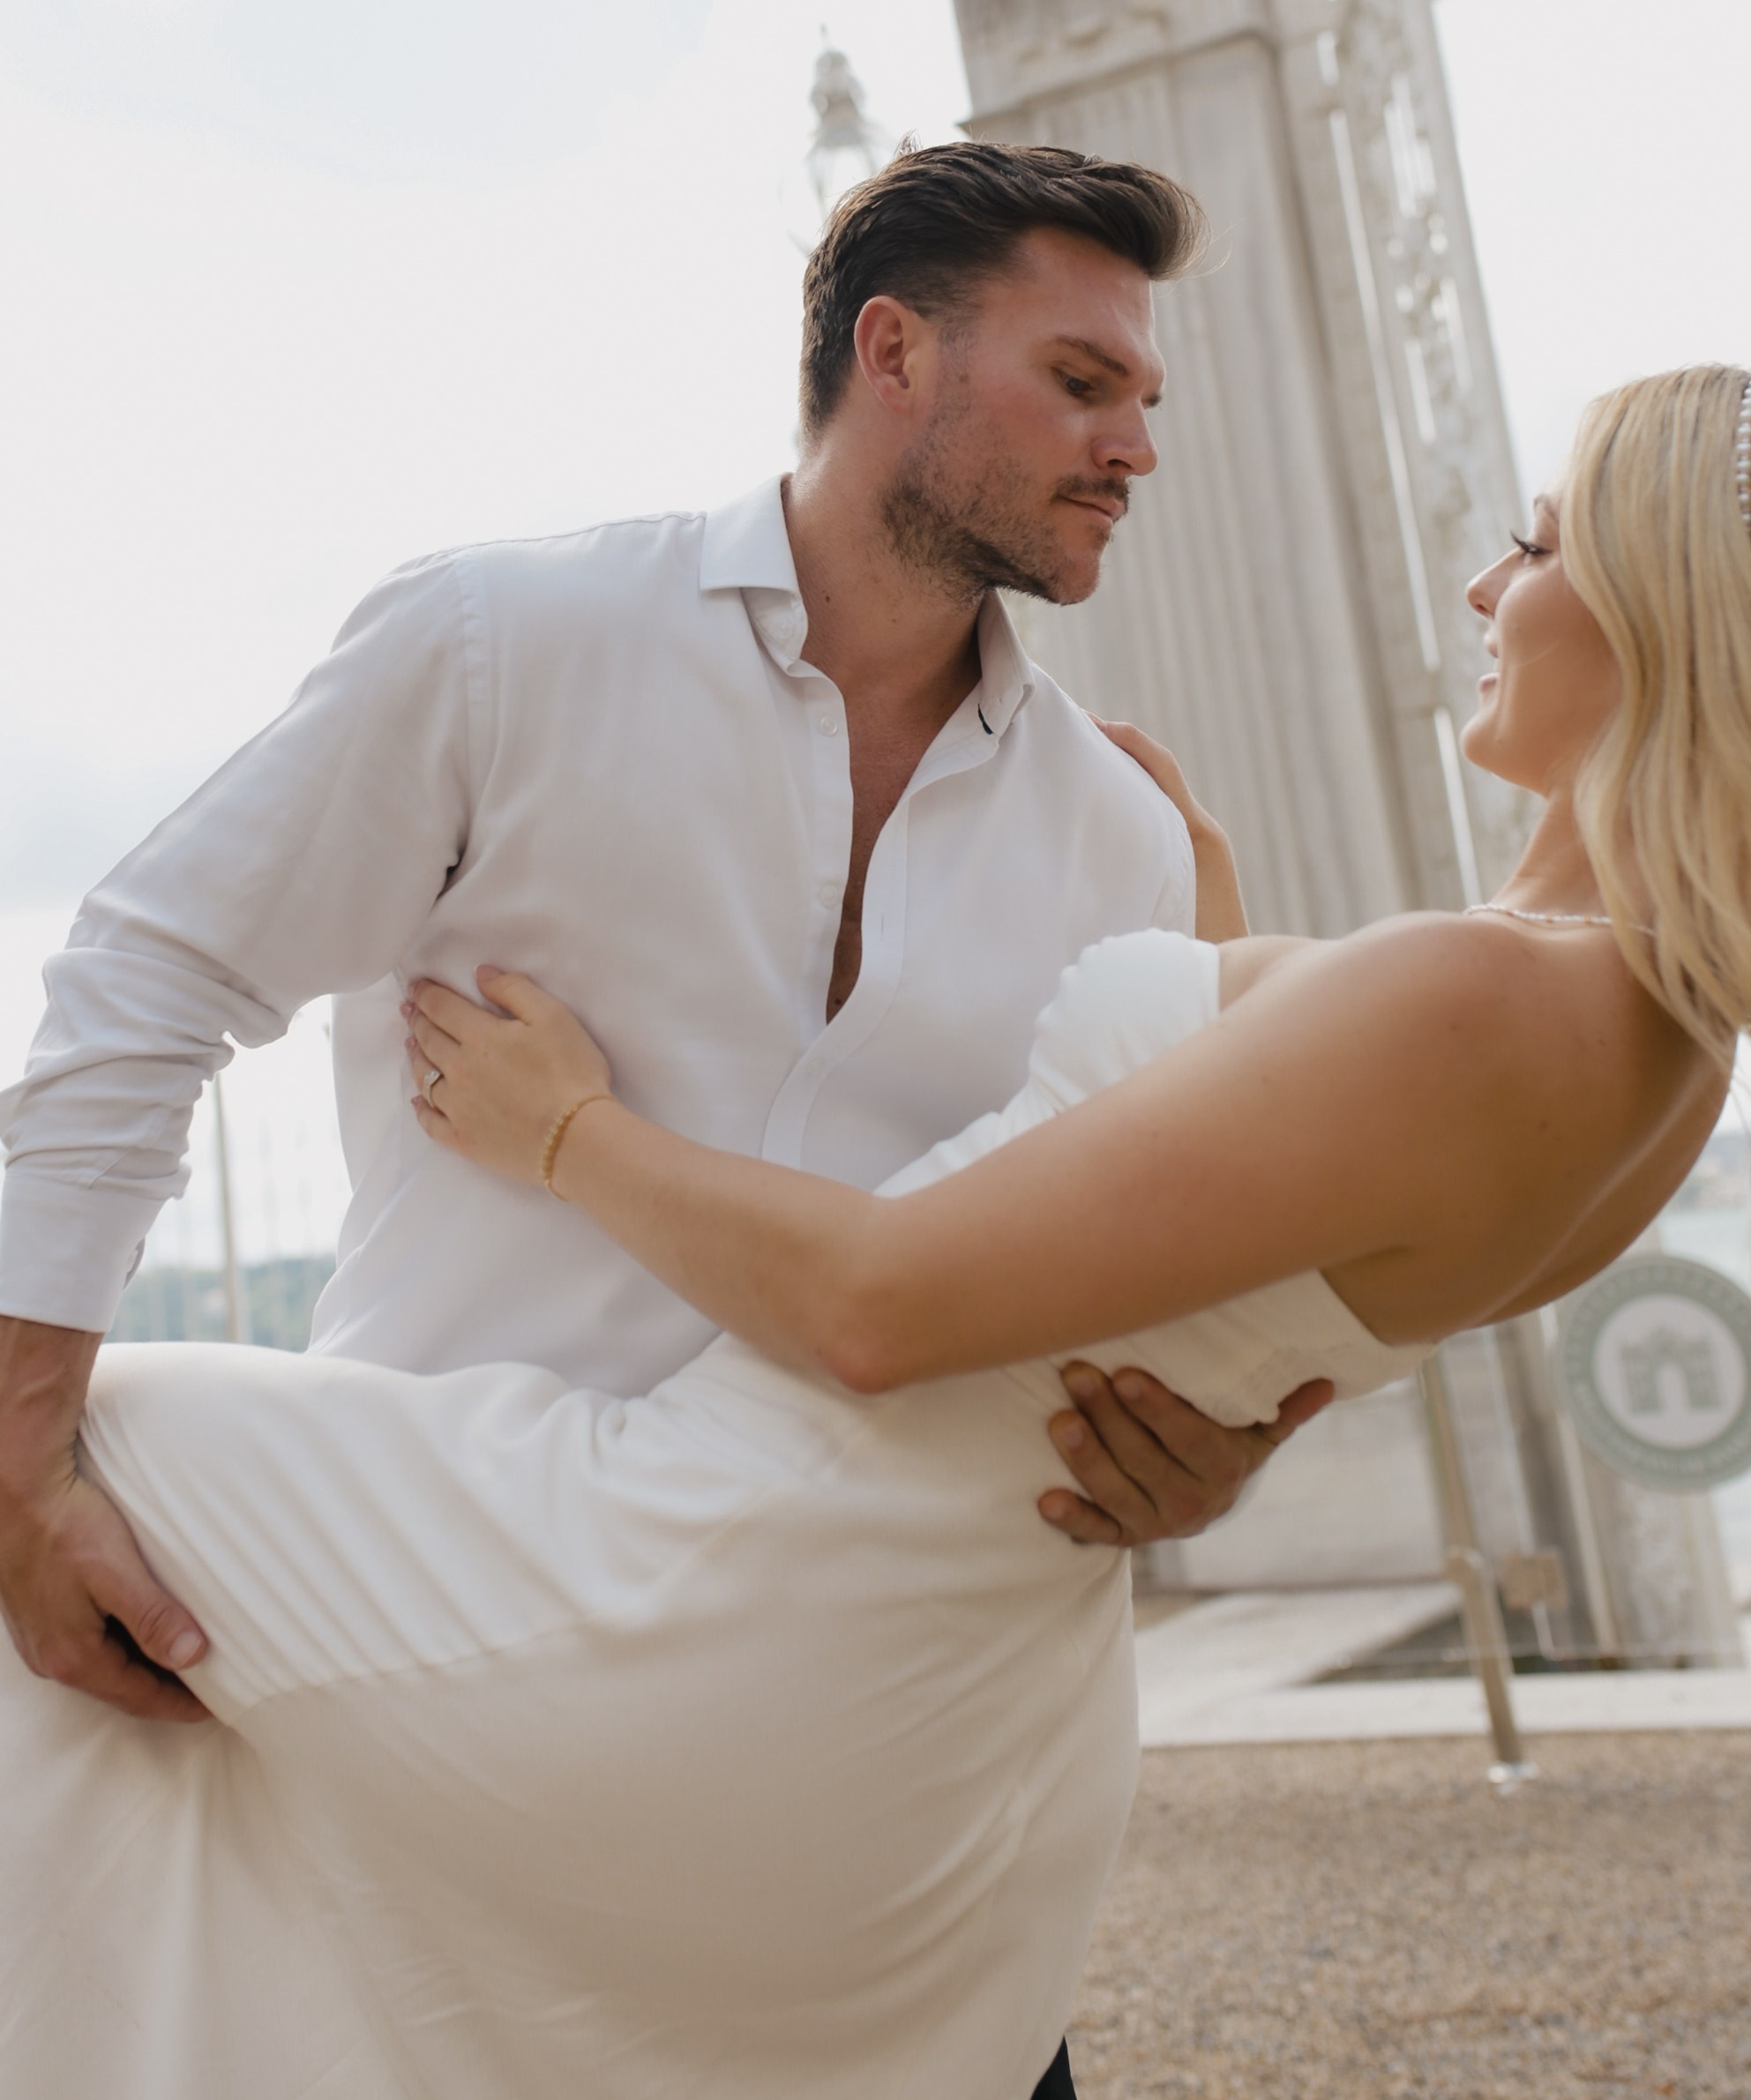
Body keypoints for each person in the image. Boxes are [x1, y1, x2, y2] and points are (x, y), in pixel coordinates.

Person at [3, 365, 1747, 2100]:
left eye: (1534, 545)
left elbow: (875, 1310)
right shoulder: (1663, 1045)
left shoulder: (1475, 999)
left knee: (83, 1457)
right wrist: (1214, 957)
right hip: (986, 1717)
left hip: (743, 1575)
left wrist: (568, 1134)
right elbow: (1264, 1262)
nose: (1483, 588)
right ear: (895, 357)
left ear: (1668, 606)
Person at [0, 140, 1332, 2100]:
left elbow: (1132, 1264)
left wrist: (1201, 1463)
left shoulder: (1118, 842)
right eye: (1081, 380)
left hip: (871, 1735)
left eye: (1146, 396)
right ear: (895, 353)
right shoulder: (500, 643)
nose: (1138, 441)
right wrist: (25, 1451)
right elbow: (153, 974)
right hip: (442, 1657)